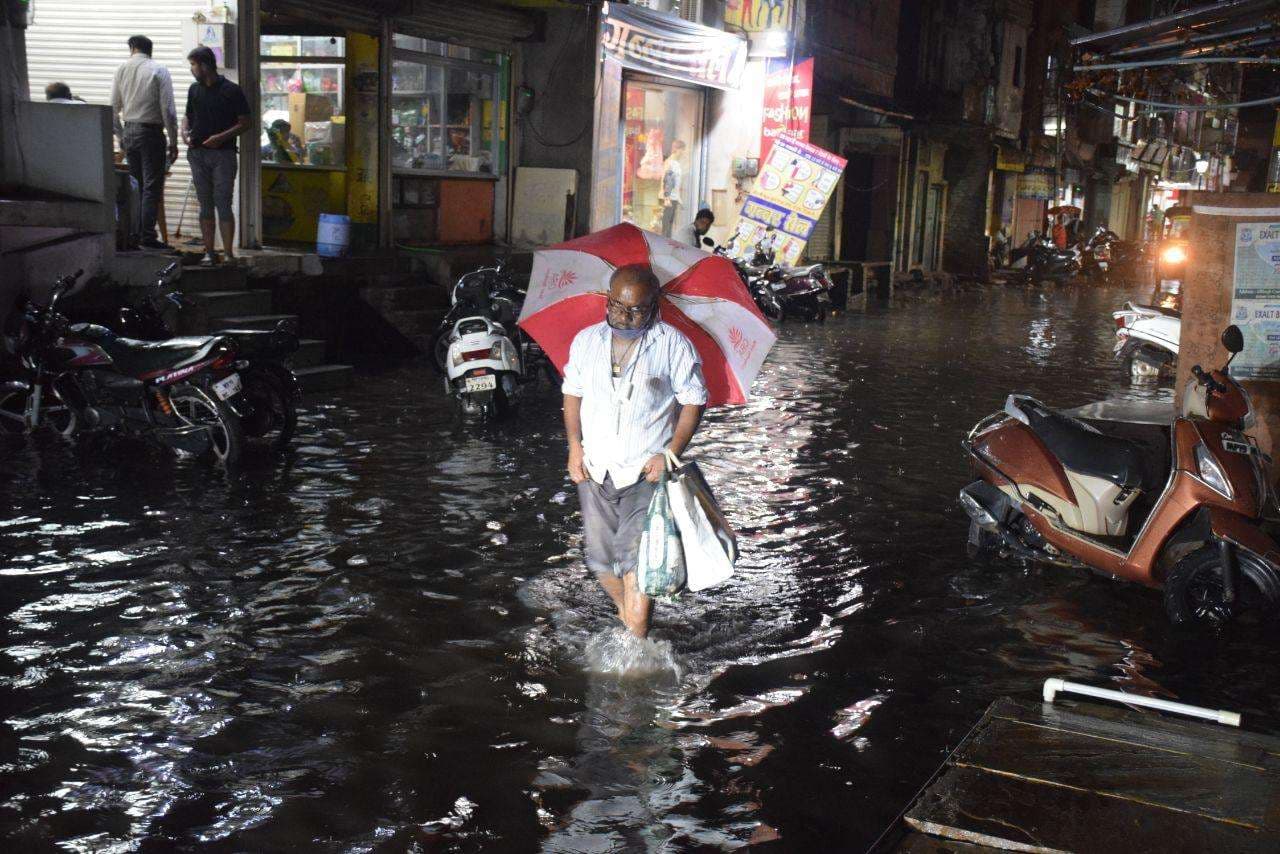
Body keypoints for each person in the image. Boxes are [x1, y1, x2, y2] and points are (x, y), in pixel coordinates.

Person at [561, 264, 707, 639]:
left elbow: (694, 402)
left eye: (635, 309)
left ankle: (636, 646)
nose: (622, 316)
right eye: (615, 306)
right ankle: (631, 618)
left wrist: (670, 453)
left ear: (655, 306)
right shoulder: (585, 341)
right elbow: (572, 394)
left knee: (637, 561)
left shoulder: (673, 344)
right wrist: (574, 446)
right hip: (595, 469)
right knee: (600, 558)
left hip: (646, 472)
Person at [183, 46, 251, 267]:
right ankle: (209, 252)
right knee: (205, 204)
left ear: (204, 65)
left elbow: (245, 122)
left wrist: (220, 138)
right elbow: (188, 116)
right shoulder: (194, 90)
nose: (192, 69)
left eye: (193, 65)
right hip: (197, 153)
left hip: (223, 154)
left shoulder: (231, 90)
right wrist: (184, 131)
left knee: (223, 202)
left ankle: (229, 253)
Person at [110, 35, 179, 250]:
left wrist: (121, 136)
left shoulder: (121, 69)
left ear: (132, 48)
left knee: (135, 186)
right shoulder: (159, 69)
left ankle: (134, 234)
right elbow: (167, 110)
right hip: (151, 133)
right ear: (151, 50)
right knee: (151, 187)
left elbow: (113, 108)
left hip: (130, 130)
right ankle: (147, 236)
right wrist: (174, 141)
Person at [660, 140, 686, 237]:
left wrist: (679, 198)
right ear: (677, 149)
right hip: (669, 198)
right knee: (666, 224)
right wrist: (666, 198)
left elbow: (677, 183)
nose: (683, 153)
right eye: (682, 150)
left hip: (674, 198)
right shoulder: (669, 163)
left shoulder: (677, 164)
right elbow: (667, 180)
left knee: (670, 224)